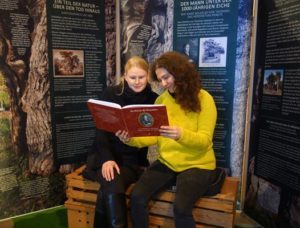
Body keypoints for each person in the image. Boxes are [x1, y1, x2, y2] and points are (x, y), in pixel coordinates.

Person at [116, 51, 217, 228]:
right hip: (168, 161)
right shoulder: (161, 100)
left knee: (181, 209)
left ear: (179, 72)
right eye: (160, 79)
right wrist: (129, 138)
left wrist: (180, 135)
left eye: (166, 77)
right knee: (137, 197)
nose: (163, 83)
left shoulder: (205, 99)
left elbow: (205, 142)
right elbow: (152, 136)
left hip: (198, 163)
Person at [84, 56, 158, 228]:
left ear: (147, 76)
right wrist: (107, 159)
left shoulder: (154, 99)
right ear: (124, 76)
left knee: (109, 187)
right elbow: (101, 131)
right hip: (105, 155)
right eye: (132, 77)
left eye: (141, 77)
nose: (137, 82)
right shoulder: (111, 93)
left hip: (133, 161)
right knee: (111, 182)